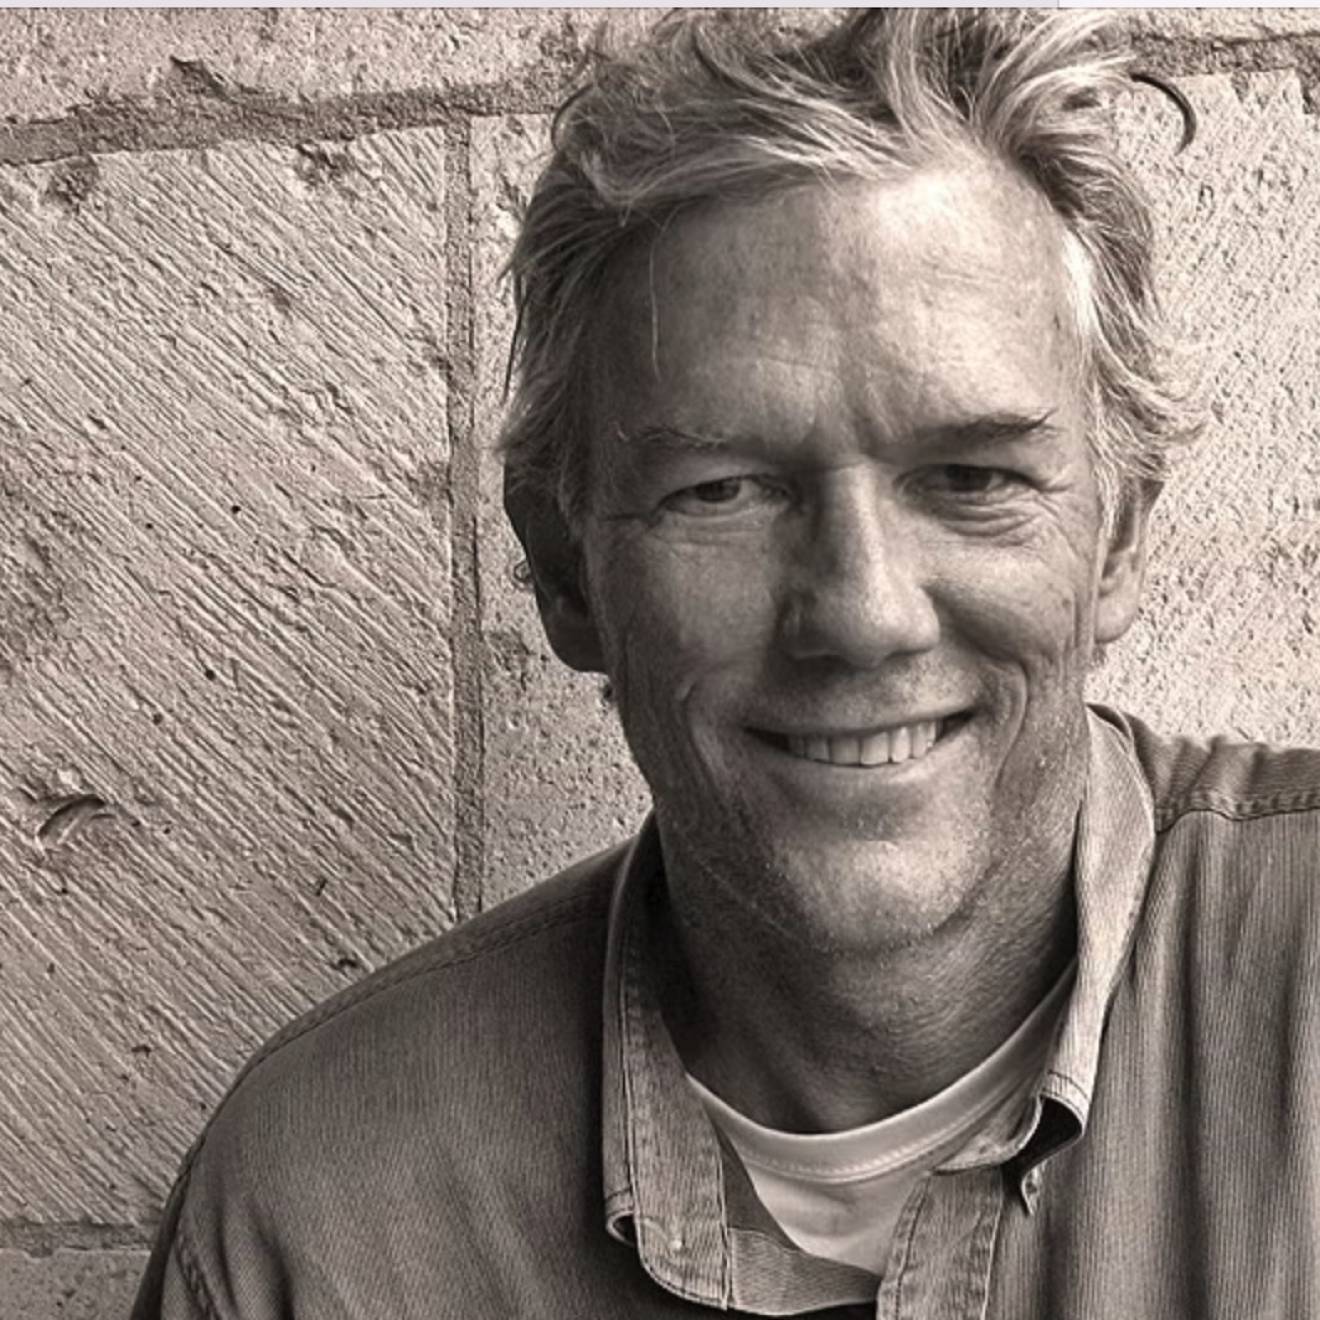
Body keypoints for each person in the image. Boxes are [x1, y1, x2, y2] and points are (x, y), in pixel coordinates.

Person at [133, 10, 1320, 1318]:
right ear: (568, 570)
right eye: (724, 489)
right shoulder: (328, 1219)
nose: (863, 613)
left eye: (972, 476)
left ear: (1120, 536)